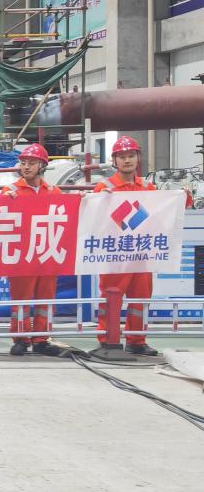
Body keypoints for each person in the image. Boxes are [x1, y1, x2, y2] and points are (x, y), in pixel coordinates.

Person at [92, 135, 189, 356]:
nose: (127, 160)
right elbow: (92, 216)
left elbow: (162, 213)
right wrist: (99, 200)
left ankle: (137, 340)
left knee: (141, 298)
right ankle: (107, 340)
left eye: (131, 156)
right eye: (122, 157)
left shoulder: (148, 187)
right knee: (111, 297)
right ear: (114, 161)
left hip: (142, 254)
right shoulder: (104, 188)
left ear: (138, 158)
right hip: (115, 255)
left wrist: (181, 197)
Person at [1, 144, 64, 357]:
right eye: (23, 163)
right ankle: (20, 338)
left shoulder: (54, 192)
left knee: (45, 299)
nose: (26, 167)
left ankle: (41, 339)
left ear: (42, 166)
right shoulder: (10, 191)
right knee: (21, 299)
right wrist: (6, 202)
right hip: (22, 254)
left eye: (32, 163)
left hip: (47, 251)